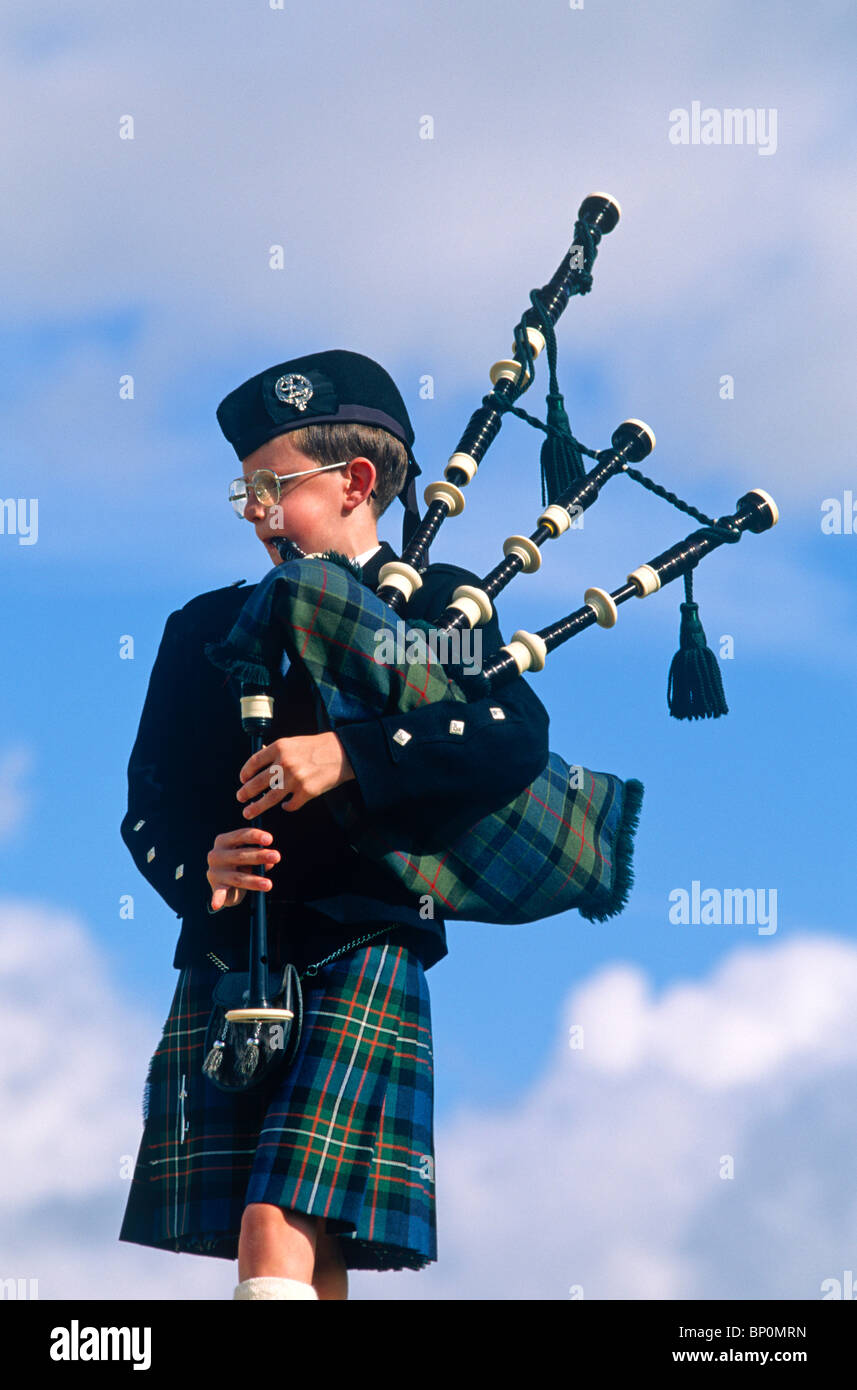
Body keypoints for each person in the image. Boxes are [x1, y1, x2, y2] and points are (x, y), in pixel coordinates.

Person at [118, 349, 550, 1299]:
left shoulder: (441, 607)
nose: (256, 512)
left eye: (273, 486)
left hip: (362, 945)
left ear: (356, 482)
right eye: (245, 492)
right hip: (233, 958)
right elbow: (148, 801)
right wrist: (201, 866)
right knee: (301, 1247)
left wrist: (352, 754)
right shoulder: (204, 625)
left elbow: (510, 738)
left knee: (276, 1220)